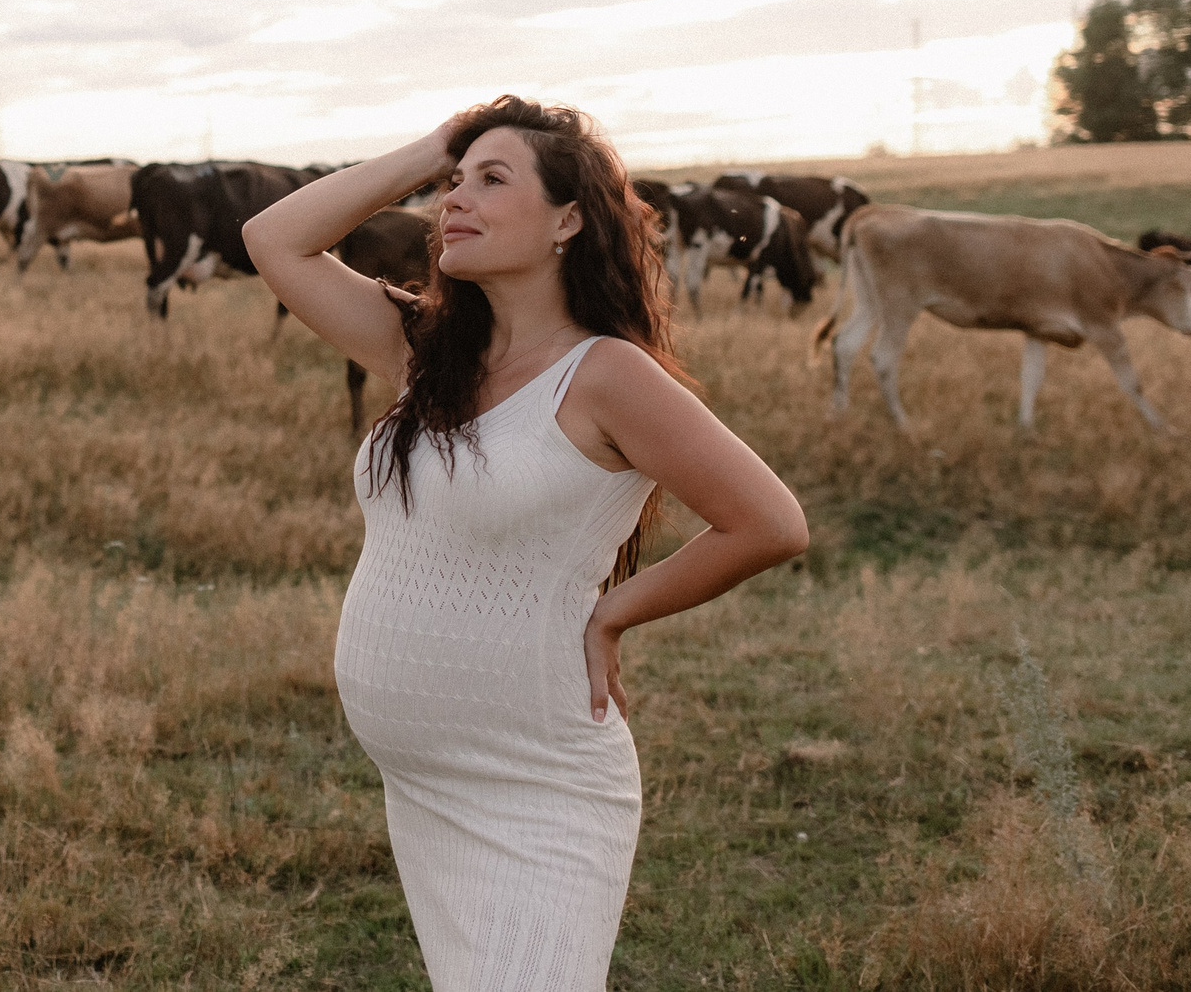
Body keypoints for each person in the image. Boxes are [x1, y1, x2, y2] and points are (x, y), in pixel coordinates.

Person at [247, 96, 808, 992]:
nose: (453, 199)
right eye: (453, 183)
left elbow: (770, 521)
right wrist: (436, 146)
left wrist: (614, 613)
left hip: (537, 787)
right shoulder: (429, 351)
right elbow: (274, 239)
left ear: (568, 220)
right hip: (427, 787)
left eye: (492, 179)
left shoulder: (607, 373)